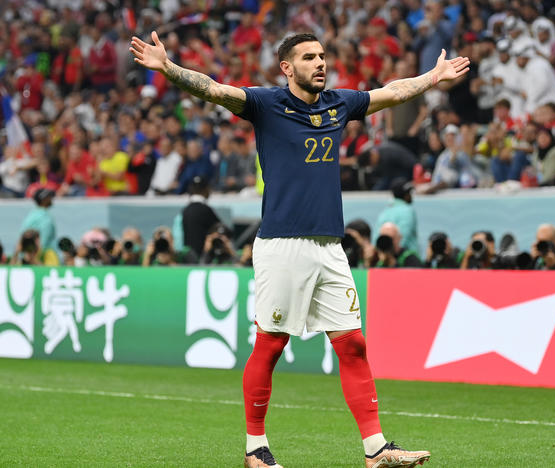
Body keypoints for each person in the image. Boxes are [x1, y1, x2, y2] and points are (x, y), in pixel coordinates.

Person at [130, 31, 470, 467]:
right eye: (309, 57)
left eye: (323, 56)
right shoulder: (264, 104)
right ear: (287, 68)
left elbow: (390, 93)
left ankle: (376, 449)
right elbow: (213, 88)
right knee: (271, 345)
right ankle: (256, 448)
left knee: (353, 344)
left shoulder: (338, 105)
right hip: (282, 244)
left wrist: (433, 76)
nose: (320, 63)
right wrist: (168, 68)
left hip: (330, 245)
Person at [374, 179, 419, 255]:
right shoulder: (408, 211)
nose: (411, 196)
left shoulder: (385, 212)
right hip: (405, 259)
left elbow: (376, 238)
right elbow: (403, 239)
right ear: (406, 195)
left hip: (386, 258)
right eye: (409, 193)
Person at [181, 176, 222, 258]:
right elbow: (220, 228)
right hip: (203, 257)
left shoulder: (185, 210)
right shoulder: (206, 210)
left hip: (188, 256)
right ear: (206, 189)